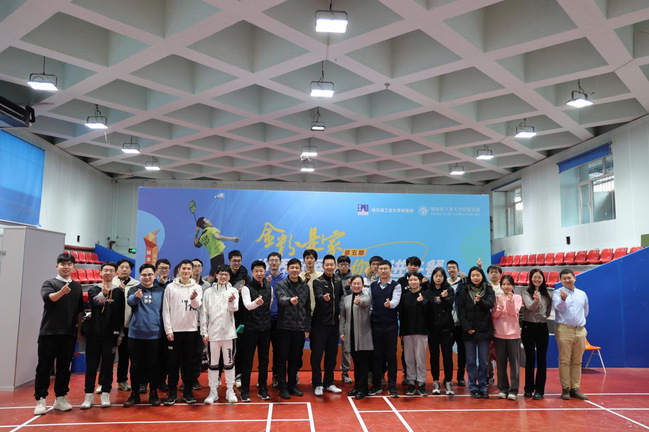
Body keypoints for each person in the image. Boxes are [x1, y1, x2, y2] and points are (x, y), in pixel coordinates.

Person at [33, 252, 85, 416]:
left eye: (69, 264)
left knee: (64, 367)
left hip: (68, 334)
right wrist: (62, 292)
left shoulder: (77, 287)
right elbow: (50, 298)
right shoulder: (49, 283)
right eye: (63, 264)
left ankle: (61, 398)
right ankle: (40, 399)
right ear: (57, 266)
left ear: (74, 267)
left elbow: (80, 312)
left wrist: (78, 332)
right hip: (49, 332)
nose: (66, 267)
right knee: (44, 367)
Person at [81, 262, 125, 409]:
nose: (108, 273)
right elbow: (95, 303)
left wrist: (120, 334)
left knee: (107, 366)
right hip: (93, 335)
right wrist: (104, 294)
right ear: (100, 273)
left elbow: (120, 314)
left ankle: (105, 393)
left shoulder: (119, 292)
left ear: (115, 274)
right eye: (105, 270)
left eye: (111, 271)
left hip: (110, 336)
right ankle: (88, 395)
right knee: (91, 366)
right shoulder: (93, 289)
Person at [162, 259, 203, 405]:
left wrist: (193, 299)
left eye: (188, 269)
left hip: (191, 331)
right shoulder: (170, 287)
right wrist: (168, 330)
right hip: (174, 332)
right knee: (173, 364)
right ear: (178, 270)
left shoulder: (197, 287)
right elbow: (166, 310)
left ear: (192, 271)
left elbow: (198, 305)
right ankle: (172, 392)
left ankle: (188, 392)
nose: (186, 271)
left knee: (189, 364)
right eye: (183, 268)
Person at [124, 264, 165, 407]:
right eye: (144, 275)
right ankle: (134, 394)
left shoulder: (161, 290)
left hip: (155, 335)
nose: (147, 277)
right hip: (136, 335)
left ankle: (153, 393)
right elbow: (130, 301)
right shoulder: (134, 289)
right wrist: (136, 298)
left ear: (154, 275)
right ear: (140, 276)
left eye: (150, 275)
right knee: (135, 366)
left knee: (154, 365)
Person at [201, 265, 239, 404]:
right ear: (216, 275)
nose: (223, 277)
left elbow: (235, 308)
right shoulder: (208, 292)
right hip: (213, 334)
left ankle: (230, 390)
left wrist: (231, 301)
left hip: (229, 334)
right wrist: (204, 332)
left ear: (229, 277)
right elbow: (204, 313)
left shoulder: (233, 291)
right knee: (213, 364)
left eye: (226, 274)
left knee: (229, 363)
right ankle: (213, 392)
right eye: (221, 274)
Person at [275, 258, 311, 399]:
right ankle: (282, 387)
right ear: (287, 269)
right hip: (284, 327)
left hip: (299, 328)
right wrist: (290, 301)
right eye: (292, 268)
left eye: (297, 268)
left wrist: (307, 328)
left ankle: (292, 386)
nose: (295, 270)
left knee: (295, 358)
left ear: (300, 269)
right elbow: (281, 299)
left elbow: (307, 309)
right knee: (282, 358)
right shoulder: (281, 285)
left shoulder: (305, 286)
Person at [459, 266, 495, 399]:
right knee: (471, 361)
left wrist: (480, 302)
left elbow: (490, 305)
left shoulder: (488, 289)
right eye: (473, 275)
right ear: (470, 277)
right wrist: (467, 327)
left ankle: (483, 386)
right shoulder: (464, 290)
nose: (475, 278)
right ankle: (473, 386)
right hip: (469, 331)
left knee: (484, 361)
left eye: (478, 275)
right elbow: (461, 310)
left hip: (484, 330)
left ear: (482, 276)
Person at [553, 269, 589, 401]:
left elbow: (585, 311)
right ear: (561, 281)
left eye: (569, 277)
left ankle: (575, 388)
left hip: (580, 330)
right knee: (564, 360)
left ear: (574, 278)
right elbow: (559, 308)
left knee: (577, 361)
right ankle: (565, 389)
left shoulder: (582, 294)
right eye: (564, 278)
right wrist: (563, 300)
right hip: (564, 330)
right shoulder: (557, 293)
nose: (567, 280)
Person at [240, 260, 273, 402]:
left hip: (265, 329)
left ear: (265, 272)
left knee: (264, 360)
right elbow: (247, 306)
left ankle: (263, 389)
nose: (259, 273)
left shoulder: (269, 288)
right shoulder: (246, 288)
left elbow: (270, 306)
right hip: (251, 329)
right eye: (256, 271)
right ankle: (245, 391)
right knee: (247, 360)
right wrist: (256, 303)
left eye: (261, 271)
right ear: (252, 272)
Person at [310, 255, 344, 396]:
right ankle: (317, 384)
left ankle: (329, 383)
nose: (329, 267)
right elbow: (318, 296)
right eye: (327, 265)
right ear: (323, 266)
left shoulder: (338, 281)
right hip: (319, 325)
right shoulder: (318, 281)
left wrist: (340, 313)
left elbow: (341, 298)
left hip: (334, 325)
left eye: (332, 265)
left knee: (331, 356)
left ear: (335, 266)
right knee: (317, 356)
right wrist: (323, 298)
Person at [368, 260, 401, 398]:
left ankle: (392, 386)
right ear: (377, 271)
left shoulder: (396, 285)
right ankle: (376, 385)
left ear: (390, 270)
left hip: (390, 326)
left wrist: (390, 304)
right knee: (377, 356)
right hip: (376, 325)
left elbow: (396, 300)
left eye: (385, 268)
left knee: (391, 356)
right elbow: (370, 304)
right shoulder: (373, 285)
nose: (383, 271)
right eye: (380, 268)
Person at [340, 275, 373, 400]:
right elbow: (343, 316)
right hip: (351, 336)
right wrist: (342, 332)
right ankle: (356, 387)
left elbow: (365, 303)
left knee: (363, 364)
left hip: (364, 336)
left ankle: (363, 389)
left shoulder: (366, 297)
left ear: (363, 285)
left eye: (359, 283)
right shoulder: (347, 298)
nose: (356, 286)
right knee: (356, 364)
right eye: (354, 283)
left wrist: (359, 302)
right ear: (351, 285)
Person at [424, 267, 455, 396]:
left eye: (441, 276)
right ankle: (435, 381)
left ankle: (448, 381)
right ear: (432, 277)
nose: (438, 278)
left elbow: (450, 304)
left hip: (446, 329)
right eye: (436, 275)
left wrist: (444, 298)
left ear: (444, 277)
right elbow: (425, 309)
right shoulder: (428, 291)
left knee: (447, 356)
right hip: (432, 330)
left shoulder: (449, 290)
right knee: (434, 357)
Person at [521, 269, 551, 400]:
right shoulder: (525, 291)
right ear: (530, 278)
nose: (537, 279)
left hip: (542, 327)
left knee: (542, 359)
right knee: (530, 358)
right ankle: (528, 389)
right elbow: (530, 307)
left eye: (539, 277)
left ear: (543, 279)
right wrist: (536, 300)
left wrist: (542, 317)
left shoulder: (547, 293)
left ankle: (539, 390)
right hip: (528, 326)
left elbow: (548, 312)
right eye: (535, 277)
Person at [491, 275, 522, 401]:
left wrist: (509, 301)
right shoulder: (497, 298)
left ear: (513, 285)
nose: (506, 286)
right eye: (504, 284)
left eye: (509, 284)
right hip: (499, 334)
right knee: (501, 364)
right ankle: (503, 389)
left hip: (513, 335)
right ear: (501, 286)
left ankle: (513, 390)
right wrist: (499, 306)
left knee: (514, 365)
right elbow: (494, 315)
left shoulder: (517, 297)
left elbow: (513, 312)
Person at [399, 274, 428, 396]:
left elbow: (429, 313)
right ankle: (411, 383)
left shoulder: (425, 294)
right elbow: (401, 316)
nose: (413, 282)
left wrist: (422, 302)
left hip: (421, 331)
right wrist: (401, 332)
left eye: (415, 280)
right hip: (407, 332)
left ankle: (421, 383)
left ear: (420, 281)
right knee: (409, 358)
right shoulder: (405, 296)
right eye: (411, 280)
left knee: (420, 359)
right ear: (408, 282)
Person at [114, 259, 139, 393]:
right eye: (122, 267)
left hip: (129, 325)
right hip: (112, 326)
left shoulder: (136, 285)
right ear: (117, 269)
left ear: (130, 270)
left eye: (127, 267)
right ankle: (102, 383)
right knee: (108, 355)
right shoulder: (111, 283)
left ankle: (122, 381)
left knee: (125, 355)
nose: (124, 269)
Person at [227, 249, 250, 388]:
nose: (236, 263)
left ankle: (238, 374)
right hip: (225, 317)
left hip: (241, 318)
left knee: (240, 347)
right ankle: (221, 375)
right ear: (229, 260)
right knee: (226, 348)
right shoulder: (223, 274)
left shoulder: (246, 277)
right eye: (234, 260)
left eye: (239, 261)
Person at [265, 251, 287, 388]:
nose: (274, 262)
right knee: (264, 351)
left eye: (276, 260)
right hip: (265, 319)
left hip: (280, 319)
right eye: (271, 260)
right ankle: (262, 378)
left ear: (280, 262)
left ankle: (277, 376)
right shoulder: (262, 276)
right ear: (268, 262)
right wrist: (265, 284)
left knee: (279, 350)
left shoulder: (285, 278)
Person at [191, 258, 211, 390]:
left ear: (202, 268)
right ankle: (186, 379)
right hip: (186, 324)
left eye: (199, 266)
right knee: (186, 354)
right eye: (194, 266)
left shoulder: (207, 286)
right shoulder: (185, 285)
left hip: (201, 324)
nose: (197, 268)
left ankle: (194, 379)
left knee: (198, 354)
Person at [447, 260, 467, 386]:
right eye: (449, 268)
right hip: (448, 325)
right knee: (447, 353)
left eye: (453, 268)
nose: (451, 270)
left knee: (462, 352)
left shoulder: (463, 283)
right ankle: (448, 378)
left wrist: (466, 280)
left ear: (458, 269)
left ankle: (460, 377)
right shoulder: (444, 284)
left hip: (461, 324)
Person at [335, 255, 353, 384]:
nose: (343, 266)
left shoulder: (353, 279)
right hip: (332, 315)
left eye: (345, 264)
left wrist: (348, 287)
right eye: (341, 264)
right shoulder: (332, 277)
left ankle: (345, 372)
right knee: (330, 346)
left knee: (346, 346)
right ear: (337, 265)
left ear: (349, 265)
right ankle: (328, 373)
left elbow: (355, 296)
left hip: (347, 316)